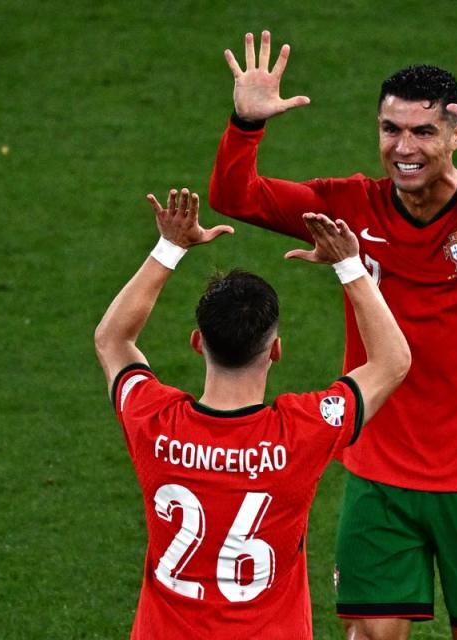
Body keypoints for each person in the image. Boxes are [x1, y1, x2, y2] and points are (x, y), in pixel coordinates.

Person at [209, 31, 457, 640]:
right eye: (391, 130)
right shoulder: (350, 207)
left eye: (422, 132)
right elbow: (233, 195)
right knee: (370, 634)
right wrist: (245, 124)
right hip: (379, 466)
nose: (403, 148)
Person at [94, 187, 410, 639]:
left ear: (197, 342)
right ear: (276, 350)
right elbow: (392, 361)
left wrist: (170, 247)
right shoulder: (303, 430)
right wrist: (349, 264)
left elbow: (112, 340)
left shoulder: (152, 420)